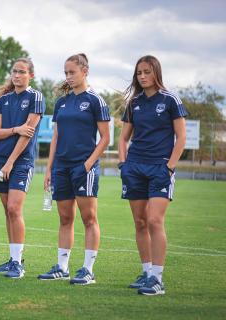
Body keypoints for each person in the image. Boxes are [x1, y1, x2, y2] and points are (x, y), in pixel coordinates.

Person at [37, 54, 110, 285]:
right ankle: (62, 267)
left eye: (72, 72)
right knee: (65, 218)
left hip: (84, 167)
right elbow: (56, 137)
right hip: (61, 167)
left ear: (85, 71)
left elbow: (106, 138)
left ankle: (88, 270)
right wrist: (49, 169)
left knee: (89, 218)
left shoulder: (96, 101)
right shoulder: (62, 102)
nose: (68, 77)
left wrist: (88, 164)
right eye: (66, 73)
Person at [118, 55, 187, 295]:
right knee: (140, 222)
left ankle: (157, 279)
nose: (142, 76)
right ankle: (147, 272)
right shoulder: (134, 103)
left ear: (156, 72)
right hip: (134, 167)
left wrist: (169, 167)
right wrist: (123, 164)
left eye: (147, 71)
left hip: (159, 168)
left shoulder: (170, 100)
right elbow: (123, 138)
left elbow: (181, 138)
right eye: (139, 73)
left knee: (155, 220)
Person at [0, 58, 45, 278]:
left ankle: (18, 266)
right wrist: (15, 129)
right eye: (14, 71)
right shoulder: (4, 100)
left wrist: (11, 161)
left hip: (20, 161)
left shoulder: (36, 97)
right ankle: (14, 259)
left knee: (14, 208)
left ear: (30, 75)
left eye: (22, 72)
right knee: (7, 211)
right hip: (0, 160)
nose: (17, 75)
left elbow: (28, 134)